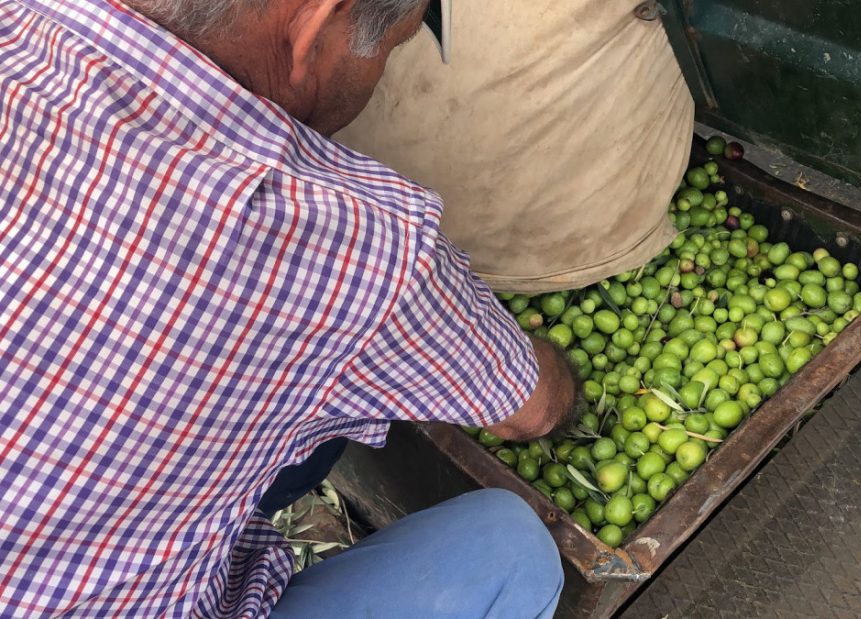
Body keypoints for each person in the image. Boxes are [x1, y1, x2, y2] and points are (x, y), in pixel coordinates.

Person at [0, 0, 577, 616]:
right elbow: (528, 410)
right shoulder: (354, 245)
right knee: (510, 550)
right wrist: (563, 379)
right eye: (393, 42)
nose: (381, 67)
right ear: (311, 28)